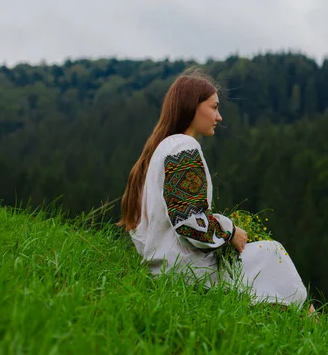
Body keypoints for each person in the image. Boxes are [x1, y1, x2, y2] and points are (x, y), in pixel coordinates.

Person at [118, 67, 314, 314]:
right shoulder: (182, 148)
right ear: (192, 107)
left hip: (166, 267)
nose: (219, 117)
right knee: (272, 252)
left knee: (265, 259)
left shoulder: (164, 148)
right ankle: (303, 319)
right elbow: (189, 221)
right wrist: (230, 232)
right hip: (185, 271)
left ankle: (288, 316)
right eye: (213, 107)